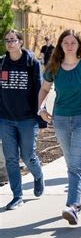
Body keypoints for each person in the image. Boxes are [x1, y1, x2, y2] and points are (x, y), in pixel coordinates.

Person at [38, 29, 81, 225]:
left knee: (76, 164)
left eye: (73, 43)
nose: (69, 46)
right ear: (61, 45)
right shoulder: (54, 67)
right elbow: (44, 89)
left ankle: (73, 205)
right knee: (71, 164)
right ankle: (78, 193)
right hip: (60, 119)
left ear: (78, 45)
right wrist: (41, 108)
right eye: (66, 42)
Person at [0, 29, 46, 210]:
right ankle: (17, 195)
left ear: (20, 42)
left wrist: (41, 121)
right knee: (11, 159)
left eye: (13, 40)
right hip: (5, 119)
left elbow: (39, 91)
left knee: (28, 156)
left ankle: (38, 175)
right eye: (7, 40)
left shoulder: (31, 63)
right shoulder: (2, 63)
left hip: (28, 119)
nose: (10, 43)